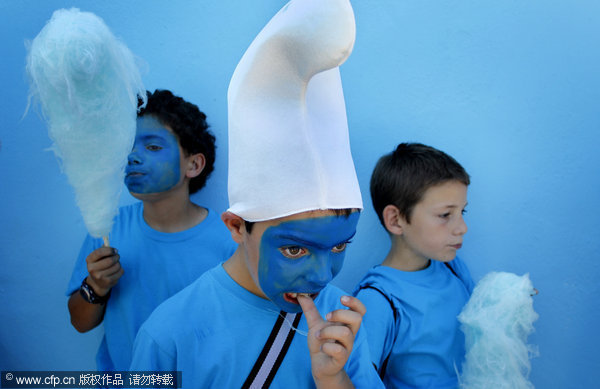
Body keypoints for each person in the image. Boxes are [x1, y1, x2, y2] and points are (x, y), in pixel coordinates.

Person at [130, 0, 384, 387]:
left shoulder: (339, 323)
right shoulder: (170, 335)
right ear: (236, 226)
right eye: (294, 249)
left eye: (338, 247)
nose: (321, 277)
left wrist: (333, 378)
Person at [66, 89, 236, 371]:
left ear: (193, 164)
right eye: (126, 148)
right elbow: (80, 322)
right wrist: (95, 287)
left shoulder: (229, 241)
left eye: (153, 147)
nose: (133, 157)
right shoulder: (108, 227)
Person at [353, 142, 475, 388]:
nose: (462, 228)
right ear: (396, 220)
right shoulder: (378, 300)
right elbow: (359, 380)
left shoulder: (453, 268)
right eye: (445, 215)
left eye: (463, 212)